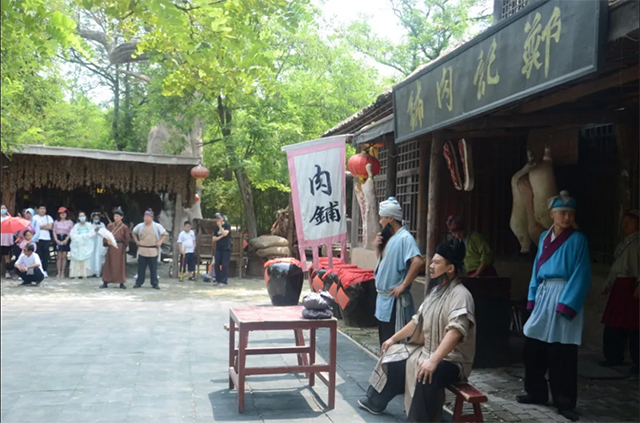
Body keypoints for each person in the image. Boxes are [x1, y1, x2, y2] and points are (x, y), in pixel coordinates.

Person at [358, 241, 475, 422]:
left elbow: (455, 332)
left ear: (450, 268)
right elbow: (416, 321)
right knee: (394, 355)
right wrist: (392, 339)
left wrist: (433, 361)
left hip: (452, 361)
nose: (430, 266)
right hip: (428, 351)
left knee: (427, 373)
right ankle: (375, 401)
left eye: (436, 262)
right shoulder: (435, 292)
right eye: (431, 261)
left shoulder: (461, 295)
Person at [517, 191, 591, 422]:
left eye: (570, 214)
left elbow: (582, 274)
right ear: (552, 215)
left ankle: (564, 400)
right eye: (562, 213)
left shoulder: (578, 240)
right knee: (533, 346)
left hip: (564, 293)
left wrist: (567, 304)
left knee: (562, 352)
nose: (566, 218)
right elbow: (536, 270)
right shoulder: (543, 238)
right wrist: (532, 296)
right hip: (544, 293)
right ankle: (536, 392)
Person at [374, 197, 424, 346]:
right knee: (384, 341)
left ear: (390, 218)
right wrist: (377, 247)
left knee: (394, 344)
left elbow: (417, 261)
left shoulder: (405, 238)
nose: (380, 221)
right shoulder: (391, 237)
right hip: (383, 299)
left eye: (382, 218)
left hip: (394, 300)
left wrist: (403, 285)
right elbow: (384, 263)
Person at [599, 209, 639, 373]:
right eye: (624, 221)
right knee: (614, 322)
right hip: (619, 286)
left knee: (634, 325)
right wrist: (608, 284)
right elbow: (616, 267)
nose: (626, 224)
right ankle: (613, 356)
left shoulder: (637, 243)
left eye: (631, 221)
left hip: (632, 286)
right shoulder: (624, 243)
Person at [132, 210, 167, 289]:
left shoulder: (157, 226)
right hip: (142, 249)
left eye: (148, 217)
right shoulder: (140, 226)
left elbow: (164, 234)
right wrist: (137, 241)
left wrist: (160, 242)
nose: (146, 218)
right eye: (145, 217)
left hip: (153, 250)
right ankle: (139, 282)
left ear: (152, 218)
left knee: (153, 269)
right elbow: (133, 232)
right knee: (141, 268)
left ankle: (154, 283)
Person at [101, 207, 130, 289]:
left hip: (119, 247)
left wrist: (126, 245)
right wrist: (107, 242)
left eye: (117, 216)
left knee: (120, 265)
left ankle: (121, 282)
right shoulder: (110, 225)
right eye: (115, 216)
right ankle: (106, 281)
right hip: (111, 246)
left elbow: (127, 238)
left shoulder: (124, 227)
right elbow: (106, 235)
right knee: (108, 263)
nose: (116, 218)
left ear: (121, 217)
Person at [69, 212, 97, 279]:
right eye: (80, 216)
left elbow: (92, 233)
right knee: (76, 258)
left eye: (83, 216)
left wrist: (83, 237)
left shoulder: (89, 225)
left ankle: (86, 273)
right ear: (78, 218)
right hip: (78, 245)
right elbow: (72, 234)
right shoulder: (76, 226)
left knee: (86, 259)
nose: (82, 217)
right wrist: (79, 238)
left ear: (85, 216)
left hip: (86, 244)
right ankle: (76, 274)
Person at [32, 205, 54, 277]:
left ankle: (45, 270)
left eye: (44, 208)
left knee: (45, 255)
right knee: (38, 254)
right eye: (41, 208)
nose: (42, 210)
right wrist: (44, 226)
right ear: (38, 210)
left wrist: (39, 226)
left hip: (46, 238)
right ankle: (38, 270)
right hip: (37, 238)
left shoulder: (48, 217)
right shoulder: (34, 217)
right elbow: (33, 227)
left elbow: (50, 227)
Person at [53, 207, 73, 279]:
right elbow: (54, 231)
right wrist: (56, 240)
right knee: (59, 256)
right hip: (58, 237)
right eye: (61, 213)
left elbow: (71, 232)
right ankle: (58, 272)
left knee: (64, 256)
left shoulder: (70, 222)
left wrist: (66, 239)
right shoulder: (56, 222)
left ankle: (63, 272)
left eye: (64, 213)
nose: (63, 214)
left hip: (66, 237)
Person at [212, 213, 232, 287]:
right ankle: (218, 280)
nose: (217, 220)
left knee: (224, 264)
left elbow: (225, 233)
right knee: (216, 264)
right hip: (218, 248)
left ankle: (224, 281)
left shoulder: (227, 225)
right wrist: (221, 236)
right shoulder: (216, 228)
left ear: (222, 218)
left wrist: (220, 227)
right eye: (216, 218)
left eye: (219, 218)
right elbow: (214, 239)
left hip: (226, 248)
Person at [89, 212, 107, 278]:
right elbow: (88, 233)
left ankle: (97, 272)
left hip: (99, 242)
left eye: (97, 218)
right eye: (95, 218)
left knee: (98, 257)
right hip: (92, 242)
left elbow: (105, 233)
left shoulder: (102, 224)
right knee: (91, 257)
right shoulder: (90, 224)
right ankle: (91, 272)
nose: (96, 219)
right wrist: (93, 230)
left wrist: (100, 230)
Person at [1, 204, 13, 279]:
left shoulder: (9, 218)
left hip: (7, 240)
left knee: (6, 257)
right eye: (1, 208)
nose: (3, 210)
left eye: (4, 208)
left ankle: (7, 272)